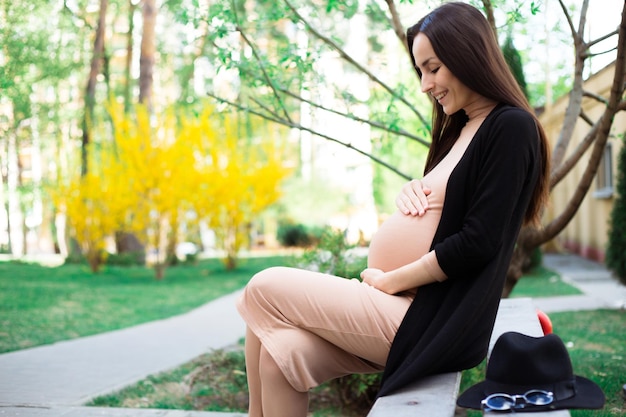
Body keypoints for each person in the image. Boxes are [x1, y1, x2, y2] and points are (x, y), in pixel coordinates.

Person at [236, 2, 551, 416]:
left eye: (433, 68)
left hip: (430, 319)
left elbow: (479, 241)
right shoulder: (460, 127)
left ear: (468, 55)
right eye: (420, 71)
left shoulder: (510, 126)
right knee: (279, 354)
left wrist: (390, 282)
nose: (425, 84)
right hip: (405, 309)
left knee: (263, 286)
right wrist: (413, 193)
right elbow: (449, 206)